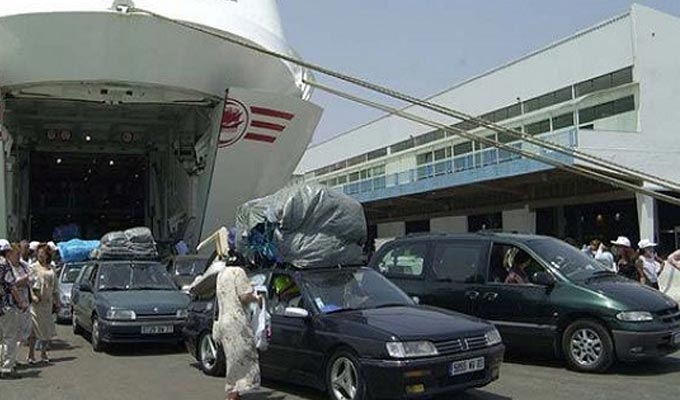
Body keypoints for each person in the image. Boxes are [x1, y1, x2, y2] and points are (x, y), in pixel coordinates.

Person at [213, 264, 262, 400]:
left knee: (232, 358)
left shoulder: (221, 274)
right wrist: (257, 298)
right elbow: (244, 295)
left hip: (224, 320)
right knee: (242, 356)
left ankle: (233, 392)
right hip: (236, 321)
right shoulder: (238, 272)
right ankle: (233, 393)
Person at [0, 241, 29, 379]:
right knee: (9, 338)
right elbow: (12, 286)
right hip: (6, 306)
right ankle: (6, 368)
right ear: (7, 252)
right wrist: (21, 302)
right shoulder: (4, 265)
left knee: (1, 338)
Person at [27, 244, 58, 364]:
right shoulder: (33, 267)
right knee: (34, 329)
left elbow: (55, 286)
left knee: (46, 329)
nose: (41, 255)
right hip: (37, 303)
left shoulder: (51, 268)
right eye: (39, 253)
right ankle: (31, 355)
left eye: (43, 253)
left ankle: (44, 353)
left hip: (47, 302)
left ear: (47, 255)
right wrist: (32, 296)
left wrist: (57, 300)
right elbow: (29, 283)